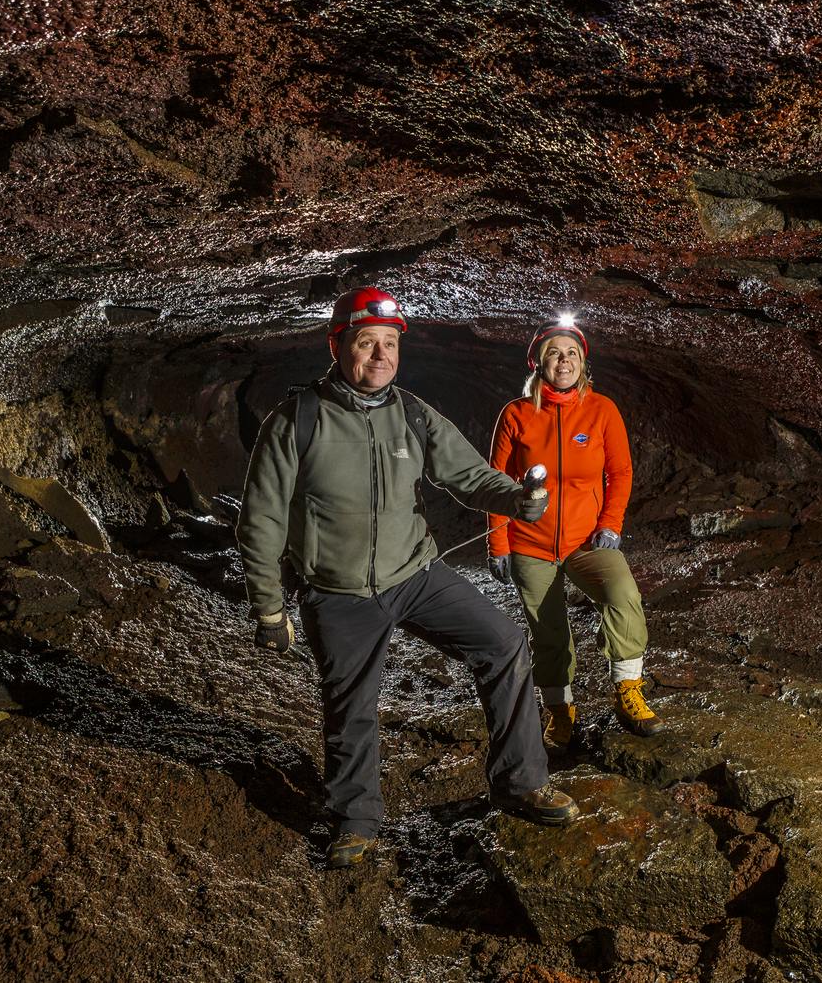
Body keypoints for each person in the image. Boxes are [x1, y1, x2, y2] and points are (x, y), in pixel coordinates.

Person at [236, 286, 578, 869]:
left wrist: (519, 498)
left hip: (416, 573)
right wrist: (270, 608)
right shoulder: (298, 420)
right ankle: (356, 818)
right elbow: (261, 519)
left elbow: (470, 475)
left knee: (503, 642)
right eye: (367, 343)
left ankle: (520, 782)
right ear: (338, 344)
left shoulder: (413, 413)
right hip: (339, 593)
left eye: (390, 344)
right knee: (352, 707)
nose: (380, 356)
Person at [486, 317, 663, 752]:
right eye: (553, 353)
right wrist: (498, 544)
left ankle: (627, 689)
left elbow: (619, 472)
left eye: (571, 354)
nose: (562, 361)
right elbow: (496, 482)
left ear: (583, 363)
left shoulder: (602, 410)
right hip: (531, 543)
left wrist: (611, 525)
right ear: (538, 362)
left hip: (588, 541)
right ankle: (560, 711)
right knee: (548, 632)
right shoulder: (516, 414)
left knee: (623, 595)